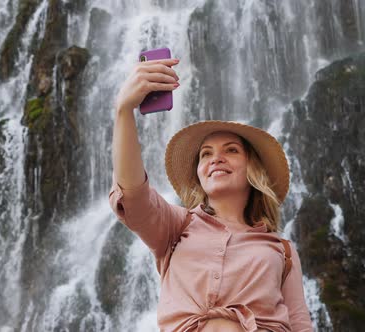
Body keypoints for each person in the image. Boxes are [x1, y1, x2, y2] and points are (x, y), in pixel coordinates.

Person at [110, 57, 313, 332]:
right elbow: (133, 195)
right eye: (206, 154)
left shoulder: (283, 251)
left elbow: (300, 326)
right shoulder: (175, 228)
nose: (216, 159)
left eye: (231, 150)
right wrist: (123, 111)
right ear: (199, 174)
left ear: (253, 169)